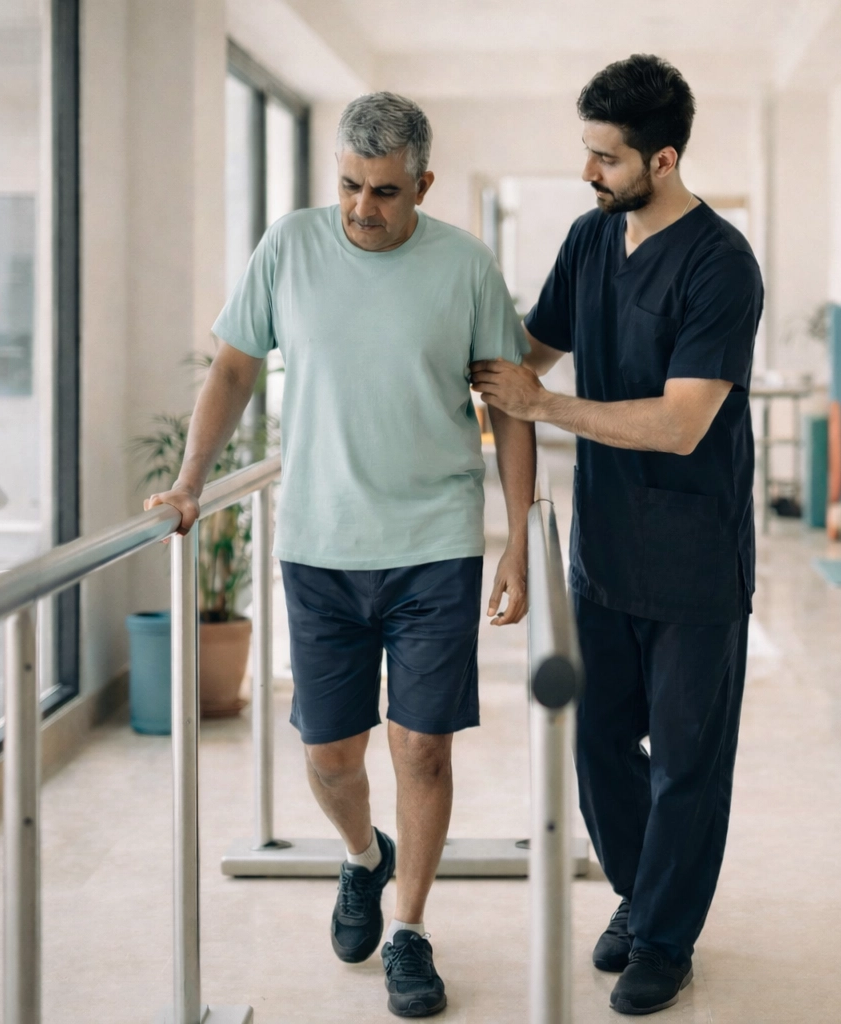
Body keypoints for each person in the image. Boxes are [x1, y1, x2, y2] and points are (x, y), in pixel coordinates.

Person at [145, 92, 533, 1019]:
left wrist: (518, 537)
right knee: (328, 756)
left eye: (387, 191)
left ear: (424, 185)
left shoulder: (466, 267)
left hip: (435, 544)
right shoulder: (290, 246)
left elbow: (508, 407)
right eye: (352, 186)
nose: (365, 207)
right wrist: (192, 479)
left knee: (424, 749)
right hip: (320, 545)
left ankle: (409, 931)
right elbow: (234, 367)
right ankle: (365, 857)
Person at [471, 54, 762, 1016]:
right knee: (597, 739)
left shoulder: (722, 265)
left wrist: (549, 407)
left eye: (606, 158)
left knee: (685, 763)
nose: (588, 173)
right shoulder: (591, 241)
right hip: (604, 551)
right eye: (586, 152)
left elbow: (682, 422)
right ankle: (642, 899)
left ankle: (666, 939)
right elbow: (528, 349)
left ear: (663, 158)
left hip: (693, 560)